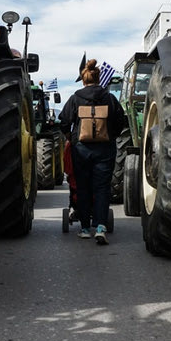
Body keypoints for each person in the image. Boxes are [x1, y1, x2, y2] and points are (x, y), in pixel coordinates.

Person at [58, 58, 126, 245]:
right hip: (105, 149)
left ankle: (85, 228)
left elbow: (63, 121)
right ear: (98, 78)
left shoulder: (75, 98)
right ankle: (101, 227)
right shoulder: (109, 98)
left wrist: (71, 137)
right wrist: (110, 135)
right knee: (102, 188)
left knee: (83, 187)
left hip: (81, 149)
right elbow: (121, 121)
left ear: (84, 79)